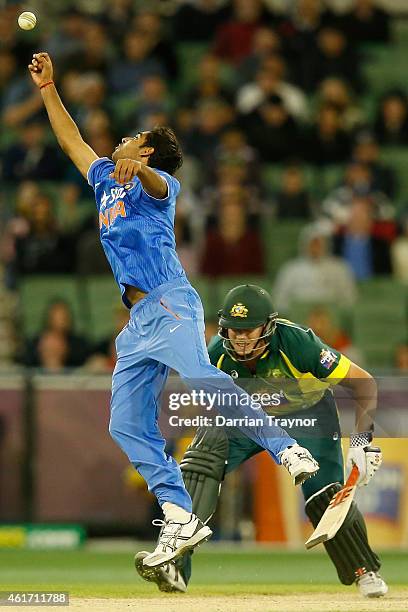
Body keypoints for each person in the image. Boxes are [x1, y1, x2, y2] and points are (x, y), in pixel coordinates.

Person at [29, 51, 319, 569]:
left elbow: (160, 184)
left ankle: (286, 449)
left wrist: (141, 169)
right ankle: (179, 513)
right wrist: (49, 89)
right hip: (138, 320)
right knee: (124, 424)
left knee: (203, 379)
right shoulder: (101, 176)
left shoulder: (160, 187)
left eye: (134, 139)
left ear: (147, 151)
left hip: (169, 299)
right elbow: (71, 141)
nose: (122, 139)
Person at [135, 284, 386, 598]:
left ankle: (365, 571)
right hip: (252, 416)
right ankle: (174, 563)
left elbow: (364, 384)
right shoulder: (215, 355)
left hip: (307, 416)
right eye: (233, 331)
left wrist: (362, 440)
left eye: (248, 331)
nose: (240, 339)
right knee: (203, 454)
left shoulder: (299, 343)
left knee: (323, 497)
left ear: (268, 327)